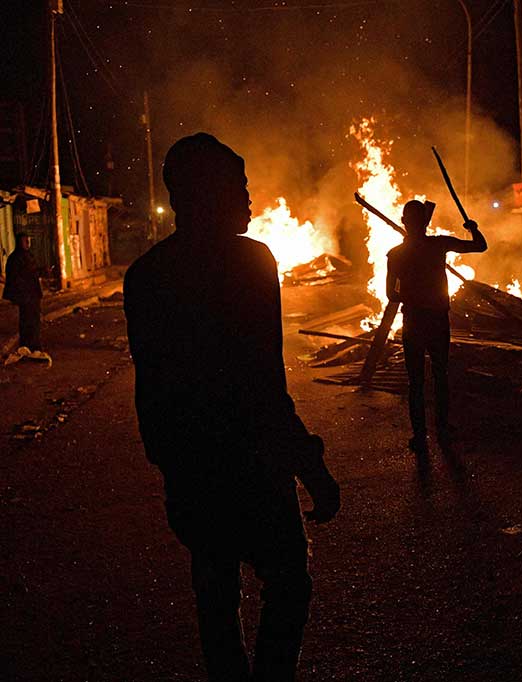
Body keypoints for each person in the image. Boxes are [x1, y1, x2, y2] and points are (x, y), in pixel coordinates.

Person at [124, 133, 340, 682]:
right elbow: (263, 383)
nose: (249, 199)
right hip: (251, 465)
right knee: (289, 580)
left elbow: (153, 384)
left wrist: (171, 463)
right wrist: (307, 462)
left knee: (214, 588)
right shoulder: (250, 262)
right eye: (239, 187)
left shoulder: (146, 274)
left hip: (190, 468)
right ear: (206, 193)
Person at [386, 199, 487, 454]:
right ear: (426, 221)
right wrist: (472, 227)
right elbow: (480, 245)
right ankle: (442, 428)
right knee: (441, 376)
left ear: (403, 222)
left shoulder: (395, 255)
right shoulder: (439, 244)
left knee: (416, 381)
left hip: (413, 321)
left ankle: (419, 435)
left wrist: (410, 295)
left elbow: (390, 295)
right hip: (438, 320)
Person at [2, 230, 44, 352]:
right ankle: (30, 345)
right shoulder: (17, 258)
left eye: (28, 241)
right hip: (26, 295)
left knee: (32, 321)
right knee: (28, 321)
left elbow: (32, 271)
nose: (27, 243)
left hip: (31, 294)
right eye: (25, 241)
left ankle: (31, 345)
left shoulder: (25, 256)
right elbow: (20, 276)